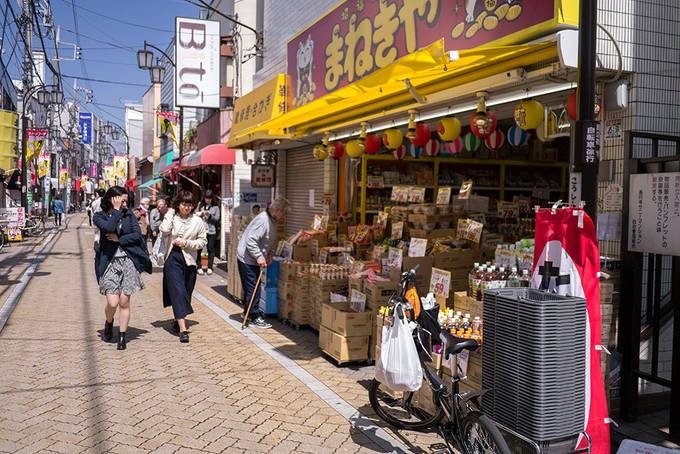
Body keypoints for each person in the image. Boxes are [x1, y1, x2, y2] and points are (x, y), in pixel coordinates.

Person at [93, 186, 152, 350]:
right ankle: (109, 322)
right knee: (112, 303)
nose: (125, 204)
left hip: (128, 260)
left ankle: (122, 336)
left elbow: (137, 235)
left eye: (126, 201)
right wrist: (117, 210)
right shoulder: (100, 216)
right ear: (112, 199)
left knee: (124, 301)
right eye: (121, 200)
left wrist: (119, 239)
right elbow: (108, 228)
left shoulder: (129, 216)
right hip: (109, 262)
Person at [159, 190, 207, 343]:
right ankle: (183, 329)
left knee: (186, 292)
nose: (186, 208)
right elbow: (164, 230)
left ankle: (177, 318)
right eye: (183, 204)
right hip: (172, 257)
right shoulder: (172, 217)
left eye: (189, 205)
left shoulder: (197, 222)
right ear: (178, 204)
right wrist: (170, 212)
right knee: (178, 291)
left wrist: (187, 243)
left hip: (189, 259)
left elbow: (202, 242)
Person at [237, 198, 289, 328]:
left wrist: (270, 254)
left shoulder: (272, 220)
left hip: (253, 258)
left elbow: (268, 239)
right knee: (254, 288)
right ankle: (254, 316)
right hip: (247, 259)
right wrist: (260, 257)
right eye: (284, 213)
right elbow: (251, 240)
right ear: (278, 210)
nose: (284, 216)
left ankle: (247, 313)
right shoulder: (263, 220)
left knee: (253, 287)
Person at [196, 190, 220, 276]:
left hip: (211, 231)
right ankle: (199, 267)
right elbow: (195, 215)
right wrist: (200, 214)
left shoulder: (216, 207)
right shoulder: (200, 205)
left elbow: (217, 219)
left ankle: (209, 267)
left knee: (210, 249)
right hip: (201, 230)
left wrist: (209, 216)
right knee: (200, 249)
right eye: (206, 198)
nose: (208, 200)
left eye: (209, 199)